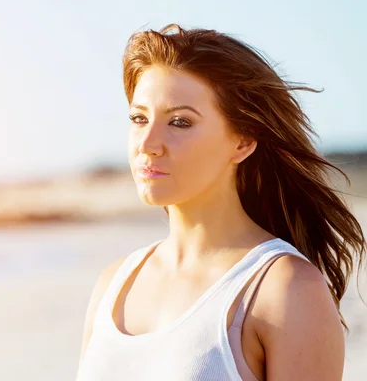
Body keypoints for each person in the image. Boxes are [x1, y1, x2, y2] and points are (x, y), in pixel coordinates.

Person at [75, 24, 366, 381]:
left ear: (242, 142)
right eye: (139, 118)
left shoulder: (283, 289)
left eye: (180, 122)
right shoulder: (114, 284)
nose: (148, 143)